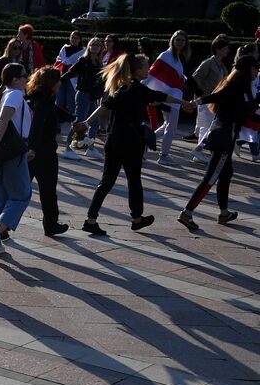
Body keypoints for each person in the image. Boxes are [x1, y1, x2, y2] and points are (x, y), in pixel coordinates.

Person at [78, 52, 194, 236]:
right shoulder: (135, 89)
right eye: (146, 68)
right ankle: (136, 219)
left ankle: (91, 220)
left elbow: (106, 105)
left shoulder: (124, 88)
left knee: (107, 181)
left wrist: (86, 123)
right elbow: (161, 97)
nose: (149, 70)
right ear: (139, 71)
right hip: (131, 142)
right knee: (134, 181)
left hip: (114, 140)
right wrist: (183, 102)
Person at [178, 54, 256, 228]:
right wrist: (197, 101)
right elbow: (219, 97)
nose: (257, 70)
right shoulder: (237, 86)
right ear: (247, 69)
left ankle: (224, 213)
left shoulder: (241, 87)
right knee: (211, 177)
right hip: (224, 137)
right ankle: (187, 212)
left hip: (225, 135)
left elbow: (244, 112)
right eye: (255, 67)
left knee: (226, 174)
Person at [0, 64, 34, 258]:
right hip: (11, 152)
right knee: (21, 196)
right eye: (24, 76)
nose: (27, 79)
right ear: (15, 79)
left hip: (0, 154)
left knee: (0, 199)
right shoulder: (15, 94)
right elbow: (3, 121)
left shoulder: (5, 94)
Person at [24, 67, 75, 237]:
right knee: (48, 191)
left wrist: (71, 118)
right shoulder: (44, 102)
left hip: (36, 151)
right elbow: (37, 125)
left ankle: (4, 226)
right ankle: (51, 225)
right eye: (58, 80)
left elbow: (54, 111)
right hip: (43, 152)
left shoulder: (38, 97)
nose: (60, 83)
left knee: (22, 190)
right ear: (51, 83)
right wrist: (33, 148)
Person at [145, 30, 197, 166]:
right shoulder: (166, 55)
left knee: (167, 125)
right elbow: (152, 73)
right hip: (167, 95)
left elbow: (186, 77)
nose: (180, 42)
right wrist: (141, 87)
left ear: (186, 43)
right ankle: (164, 155)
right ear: (172, 41)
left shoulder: (181, 58)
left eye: (182, 40)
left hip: (174, 95)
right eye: (177, 39)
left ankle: (145, 141)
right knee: (171, 126)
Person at [61, 37, 106, 159]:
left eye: (98, 45)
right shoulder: (83, 61)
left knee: (94, 122)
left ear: (101, 48)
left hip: (92, 96)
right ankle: (68, 148)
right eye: (93, 44)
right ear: (89, 47)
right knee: (79, 121)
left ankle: (90, 148)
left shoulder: (99, 62)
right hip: (83, 94)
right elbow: (70, 72)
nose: (95, 46)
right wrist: (59, 81)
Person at [191, 35, 232, 156]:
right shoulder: (208, 63)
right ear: (218, 49)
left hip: (214, 101)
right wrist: (200, 94)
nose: (228, 50)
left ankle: (199, 151)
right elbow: (195, 78)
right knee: (206, 126)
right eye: (225, 48)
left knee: (209, 126)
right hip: (205, 100)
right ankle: (198, 151)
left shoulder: (222, 65)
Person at [54, 30, 86, 126]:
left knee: (71, 100)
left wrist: (69, 63)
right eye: (72, 37)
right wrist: (64, 62)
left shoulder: (83, 50)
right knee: (59, 100)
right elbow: (59, 60)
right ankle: (58, 122)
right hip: (61, 77)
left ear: (80, 39)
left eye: (76, 38)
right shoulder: (64, 48)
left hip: (73, 79)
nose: (73, 39)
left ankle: (72, 121)